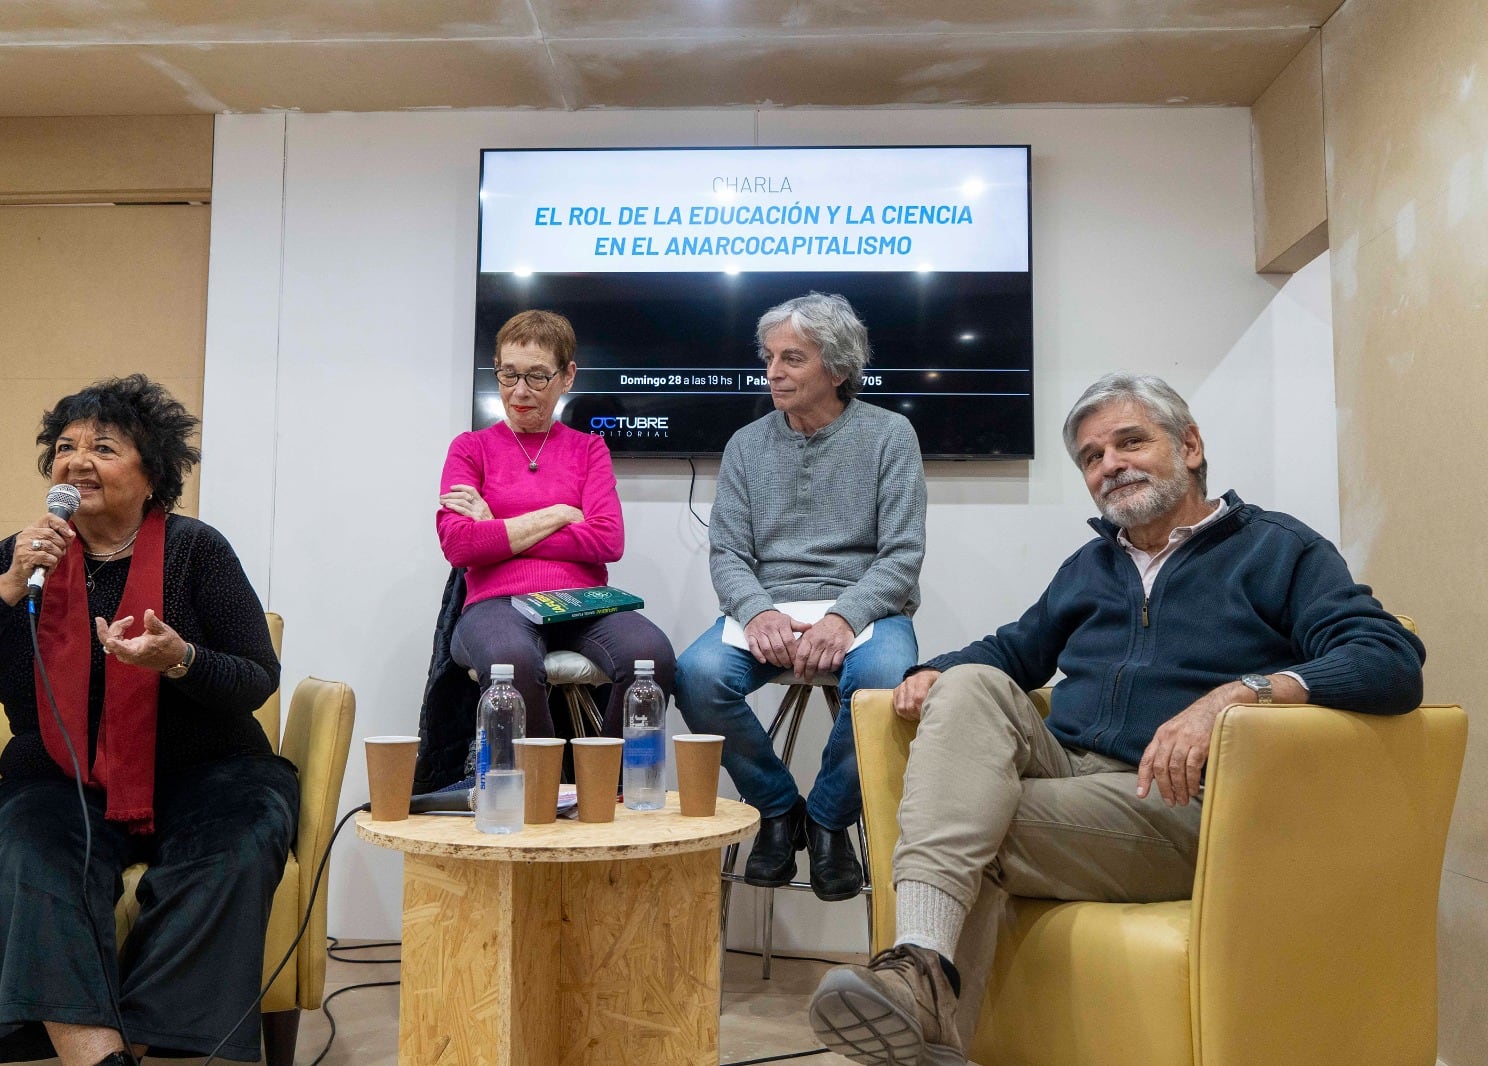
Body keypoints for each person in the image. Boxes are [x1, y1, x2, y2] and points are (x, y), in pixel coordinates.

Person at [807, 371, 1425, 1065]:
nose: (1110, 465)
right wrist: (932, 671)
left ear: (1189, 446)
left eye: (1130, 442)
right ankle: (923, 980)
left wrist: (1238, 694)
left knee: (960, 820)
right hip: (1071, 772)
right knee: (972, 684)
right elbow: (1014, 651)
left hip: (1183, 801)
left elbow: (1389, 659)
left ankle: (920, 998)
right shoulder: (1092, 565)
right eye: (1092, 457)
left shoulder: (1280, 550)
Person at [0, 375, 294, 1066]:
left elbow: (257, 677)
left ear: (151, 475)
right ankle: (99, 1058)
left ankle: (144, 1045)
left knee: (237, 844)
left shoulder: (197, 551)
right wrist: (7, 586)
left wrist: (181, 660)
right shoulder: (20, 558)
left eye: (103, 448)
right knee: (27, 854)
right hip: (58, 778)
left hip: (209, 772)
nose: (77, 461)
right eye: (65, 448)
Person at [675, 292, 925, 902]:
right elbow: (727, 553)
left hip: (864, 608)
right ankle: (777, 807)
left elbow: (901, 555)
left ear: (837, 369)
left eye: (792, 358)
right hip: (772, 607)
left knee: (885, 678)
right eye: (769, 357)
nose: (773, 372)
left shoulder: (890, 435)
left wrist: (844, 617)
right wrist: (757, 610)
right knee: (696, 675)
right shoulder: (746, 444)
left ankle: (830, 818)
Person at [437, 309, 675, 740]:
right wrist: (560, 513)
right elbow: (459, 545)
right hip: (497, 605)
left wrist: (499, 528)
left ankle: (610, 777)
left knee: (651, 655)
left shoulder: (589, 449)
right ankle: (542, 781)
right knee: (510, 661)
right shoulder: (470, 449)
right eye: (508, 374)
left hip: (583, 603)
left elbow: (607, 539)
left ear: (567, 376)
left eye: (537, 376)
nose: (519, 391)